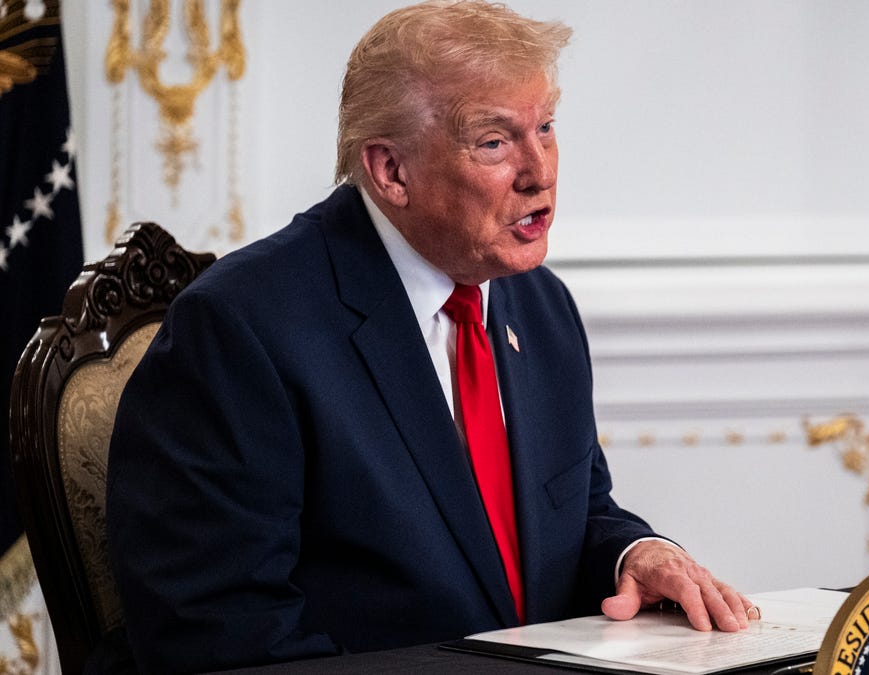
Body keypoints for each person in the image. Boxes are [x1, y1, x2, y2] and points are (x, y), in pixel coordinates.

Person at [105, 2, 754, 673]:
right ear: (390, 171)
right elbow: (220, 636)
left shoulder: (540, 305)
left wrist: (634, 553)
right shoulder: (242, 330)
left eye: (546, 127)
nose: (541, 171)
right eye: (496, 142)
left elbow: (573, 513)